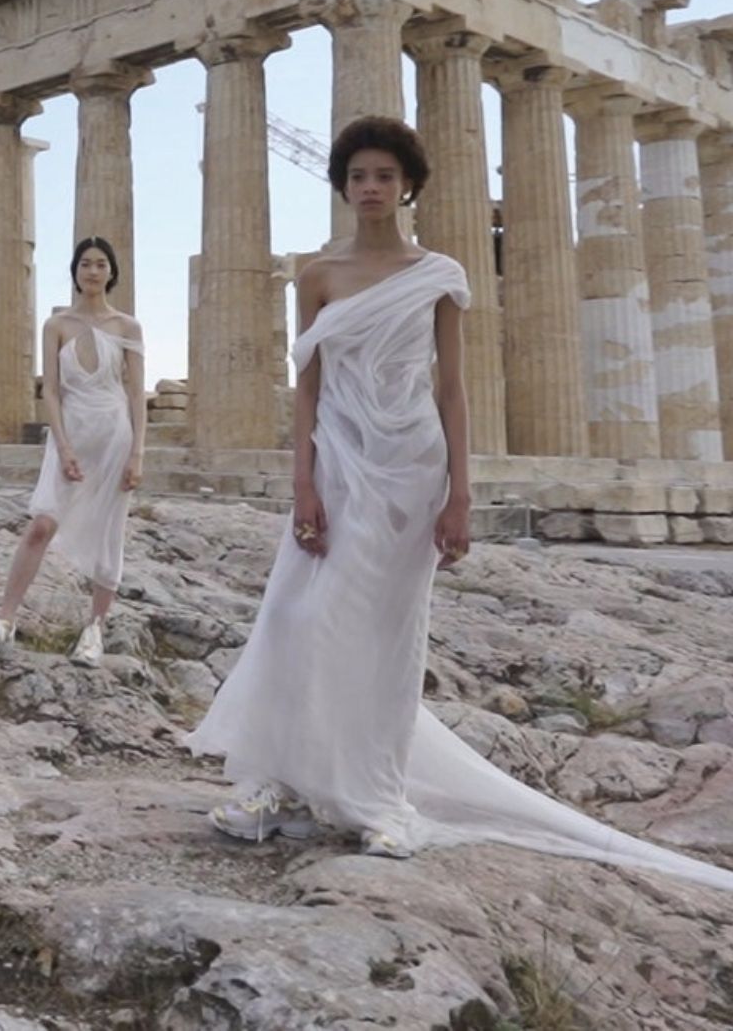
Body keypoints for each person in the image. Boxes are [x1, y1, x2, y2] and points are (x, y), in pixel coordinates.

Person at [188, 117, 733, 893]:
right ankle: (282, 782)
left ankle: (378, 795)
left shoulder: (439, 273)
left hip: (411, 467)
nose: (370, 187)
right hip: (339, 461)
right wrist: (302, 481)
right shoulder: (317, 276)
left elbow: (452, 388)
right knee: (299, 619)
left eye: (384, 175)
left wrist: (460, 495)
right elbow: (308, 386)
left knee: (387, 635)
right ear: (343, 186)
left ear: (408, 184)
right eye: (358, 176)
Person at [0, 237, 144, 666]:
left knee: (109, 531)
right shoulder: (57, 325)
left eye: (101, 264)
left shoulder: (127, 326)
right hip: (70, 433)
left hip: (114, 435)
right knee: (41, 526)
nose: (93, 271)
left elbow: (136, 392)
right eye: (85, 264)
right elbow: (50, 389)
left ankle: (94, 630)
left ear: (111, 272)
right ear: (75, 271)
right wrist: (63, 446)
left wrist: (138, 452)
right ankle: (4, 621)